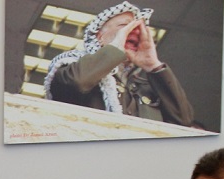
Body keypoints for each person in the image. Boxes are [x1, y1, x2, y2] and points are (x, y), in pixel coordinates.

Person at [45, 2, 193, 127]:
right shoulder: (73, 66)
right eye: (124, 26)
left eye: (138, 29)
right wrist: (115, 48)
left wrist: (152, 65)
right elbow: (77, 82)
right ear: (100, 37)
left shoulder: (147, 88)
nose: (134, 32)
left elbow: (183, 120)